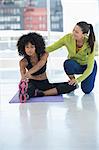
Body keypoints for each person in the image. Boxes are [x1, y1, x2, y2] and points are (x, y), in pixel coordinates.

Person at [17, 32, 77, 103]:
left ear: (37, 47)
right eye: (27, 47)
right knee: (28, 90)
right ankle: (28, 94)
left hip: (45, 83)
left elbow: (40, 65)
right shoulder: (23, 62)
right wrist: (25, 78)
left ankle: (41, 93)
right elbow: (23, 78)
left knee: (73, 85)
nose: (29, 49)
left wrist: (29, 73)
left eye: (32, 47)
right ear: (23, 48)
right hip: (33, 83)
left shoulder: (44, 54)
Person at [45, 21, 97, 94]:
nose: (73, 33)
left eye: (76, 32)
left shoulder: (90, 43)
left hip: (88, 66)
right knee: (68, 63)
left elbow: (89, 68)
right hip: (75, 65)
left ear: (84, 34)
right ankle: (73, 84)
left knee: (87, 90)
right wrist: (37, 50)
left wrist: (78, 80)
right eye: (73, 30)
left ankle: (76, 82)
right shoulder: (68, 38)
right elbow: (52, 47)